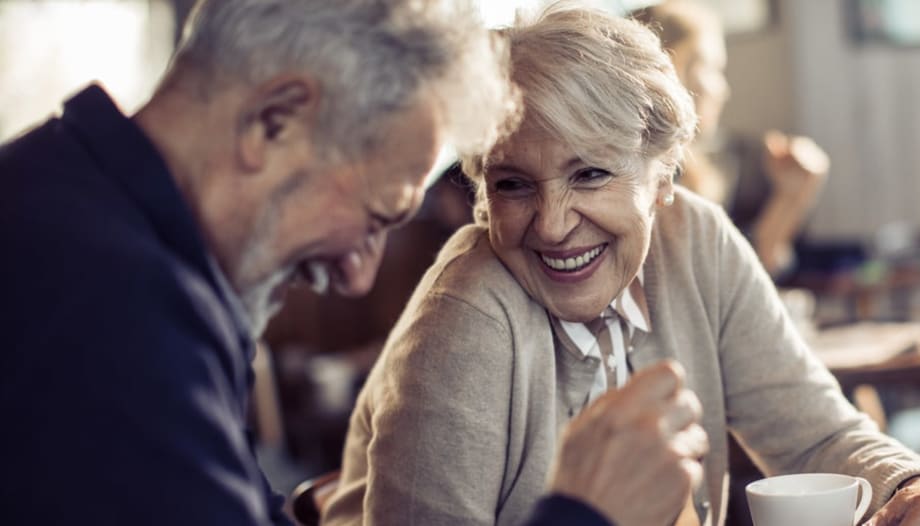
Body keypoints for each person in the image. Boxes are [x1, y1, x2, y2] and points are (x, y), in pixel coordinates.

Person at [0, 0, 704, 524]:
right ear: (276, 121)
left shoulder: (80, 209)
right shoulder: (107, 310)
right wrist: (585, 514)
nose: (359, 277)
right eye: (375, 218)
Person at [324, 4, 920, 526]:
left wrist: (912, 486)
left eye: (590, 174)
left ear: (663, 177)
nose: (551, 225)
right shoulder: (466, 315)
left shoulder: (696, 238)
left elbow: (814, 434)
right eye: (513, 185)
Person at [631, 0, 830, 278]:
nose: (722, 90)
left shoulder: (698, 171)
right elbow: (720, 288)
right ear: (670, 71)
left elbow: (741, 284)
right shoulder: (641, 181)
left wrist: (791, 196)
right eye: (712, 69)